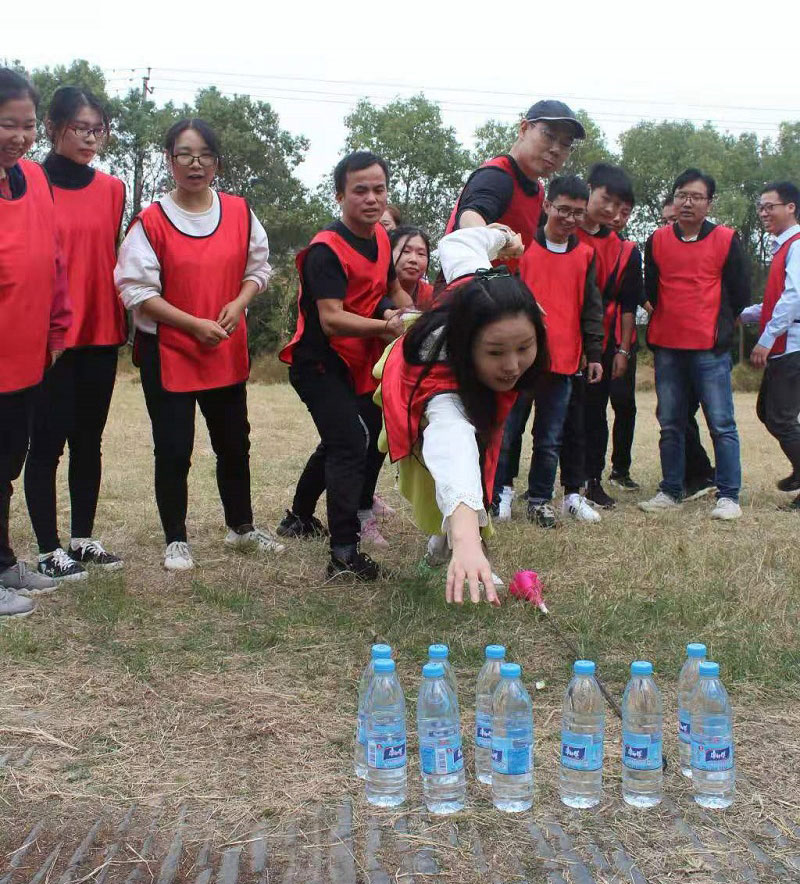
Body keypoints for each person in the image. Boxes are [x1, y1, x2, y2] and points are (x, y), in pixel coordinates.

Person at [115, 118, 284, 570]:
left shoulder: (240, 212)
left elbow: (259, 267)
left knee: (234, 442)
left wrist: (240, 300)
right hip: (168, 351)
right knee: (173, 447)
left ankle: (241, 528)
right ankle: (176, 538)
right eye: (185, 154)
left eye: (205, 154)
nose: (195, 164)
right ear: (169, 161)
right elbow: (136, 291)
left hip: (225, 345)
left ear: (217, 162)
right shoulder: (150, 221)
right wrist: (191, 324)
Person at [375, 224, 547, 603]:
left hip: (473, 390)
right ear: (469, 345)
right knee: (457, 461)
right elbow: (453, 448)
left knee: (485, 447)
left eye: (525, 346)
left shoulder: (480, 280)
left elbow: (459, 240)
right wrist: (469, 543)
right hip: (414, 383)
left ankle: (446, 543)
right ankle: (456, 543)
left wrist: (506, 239)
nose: (513, 365)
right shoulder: (443, 381)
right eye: (496, 352)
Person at [278, 151, 412, 579]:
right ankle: (343, 555)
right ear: (340, 195)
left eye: (379, 189)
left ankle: (298, 518)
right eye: (360, 190)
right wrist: (385, 326)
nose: (371, 198)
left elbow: (391, 290)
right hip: (317, 362)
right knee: (351, 441)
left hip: (356, 360)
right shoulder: (325, 250)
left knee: (346, 438)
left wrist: (413, 317)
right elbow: (331, 318)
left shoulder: (382, 239)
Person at [23, 86, 126, 582]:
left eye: (98, 129)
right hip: (49, 339)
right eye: (80, 128)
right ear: (52, 126)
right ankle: (47, 549)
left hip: (102, 332)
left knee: (90, 440)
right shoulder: (27, 182)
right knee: (46, 444)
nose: (90, 138)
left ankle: (82, 539)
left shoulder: (113, 189)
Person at [492, 175, 603, 528]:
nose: (569, 219)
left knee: (550, 438)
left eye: (578, 213)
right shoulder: (520, 250)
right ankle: (500, 493)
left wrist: (595, 352)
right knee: (508, 433)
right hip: (519, 362)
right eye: (563, 210)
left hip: (564, 361)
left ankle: (540, 500)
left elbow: (591, 309)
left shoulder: (586, 255)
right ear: (546, 206)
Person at [640, 168, 750, 520]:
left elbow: (741, 293)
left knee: (721, 423)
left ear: (708, 203)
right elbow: (651, 289)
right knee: (671, 422)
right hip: (668, 346)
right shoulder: (657, 240)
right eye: (682, 195)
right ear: (674, 199)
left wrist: (720, 329)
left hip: (709, 348)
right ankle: (671, 489)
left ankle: (729, 495)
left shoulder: (726, 240)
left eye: (696, 197)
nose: (687, 202)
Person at [0, 69, 66, 616]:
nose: (19, 137)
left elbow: (52, 256)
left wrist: (56, 325)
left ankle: (1, 561)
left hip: (24, 355)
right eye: (6, 124)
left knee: (6, 462)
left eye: (26, 126)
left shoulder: (33, 179)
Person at [445, 100, 585, 271]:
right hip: (463, 291)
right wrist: (497, 236)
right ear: (524, 129)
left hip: (494, 288)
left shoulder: (537, 192)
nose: (556, 149)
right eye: (549, 135)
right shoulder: (496, 176)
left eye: (565, 144)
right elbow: (469, 216)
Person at [578, 164, 643, 506]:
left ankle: (592, 479)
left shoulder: (626, 250)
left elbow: (630, 305)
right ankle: (538, 482)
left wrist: (623, 349)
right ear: (590, 189)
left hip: (599, 343)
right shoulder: (566, 233)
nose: (612, 210)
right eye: (606, 199)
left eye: (619, 205)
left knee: (595, 412)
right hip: (560, 338)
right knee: (552, 413)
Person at [650, 196, 716, 498]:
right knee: (672, 415)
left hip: (702, 344)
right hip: (668, 343)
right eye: (665, 220)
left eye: (672, 219)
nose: (669, 225)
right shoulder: (657, 247)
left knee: (700, 416)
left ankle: (703, 475)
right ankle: (691, 476)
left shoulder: (713, 245)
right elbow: (650, 288)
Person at [740, 181, 800, 507]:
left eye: (769, 206)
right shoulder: (783, 247)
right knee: (769, 412)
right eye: (760, 207)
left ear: (790, 207)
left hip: (791, 345)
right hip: (786, 343)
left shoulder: (798, 246)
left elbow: (793, 299)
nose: (763, 212)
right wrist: (743, 315)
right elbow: (774, 302)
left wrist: (765, 339)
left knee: (780, 418)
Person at [390, 225, 434, 309]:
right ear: (389, 253)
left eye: (421, 254)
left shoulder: (433, 296)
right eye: (406, 251)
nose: (413, 259)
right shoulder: (375, 289)